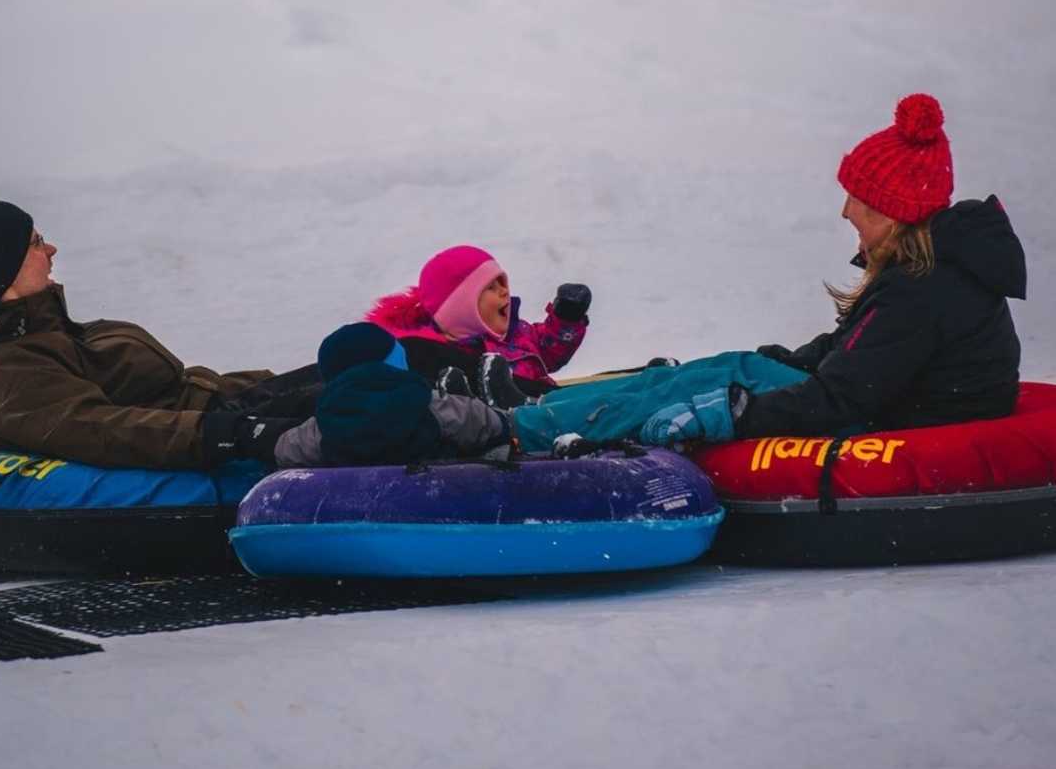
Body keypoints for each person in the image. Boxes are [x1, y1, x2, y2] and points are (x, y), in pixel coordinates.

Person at [513, 93, 1027, 454]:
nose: (846, 212)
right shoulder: (931, 272)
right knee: (718, 370)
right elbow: (859, 356)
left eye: (859, 201)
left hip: (882, 425)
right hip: (885, 406)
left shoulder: (920, 291)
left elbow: (842, 398)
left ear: (892, 212)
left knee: (711, 380)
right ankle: (537, 409)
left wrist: (735, 414)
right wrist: (791, 361)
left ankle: (517, 430)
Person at [0, 199, 317, 471]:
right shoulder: (8, 375)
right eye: (36, 243)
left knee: (355, 360)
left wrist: (267, 386)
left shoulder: (52, 332)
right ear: (4, 269)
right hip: (214, 429)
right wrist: (236, 432)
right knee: (360, 399)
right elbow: (104, 431)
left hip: (227, 407)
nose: (51, 249)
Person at [365, 244, 591, 406]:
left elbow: (549, 351)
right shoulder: (449, 354)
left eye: (502, 283)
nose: (505, 291)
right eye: (491, 288)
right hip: (517, 417)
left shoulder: (518, 332)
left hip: (547, 399)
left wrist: (567, 318)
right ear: (461, 308)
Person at [270, 322, 513, 467]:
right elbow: (480, 421)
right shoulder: (427, 403)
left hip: (358, 504)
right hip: (432, 489)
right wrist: (502, 424)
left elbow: (286, 450)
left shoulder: (323, 425)